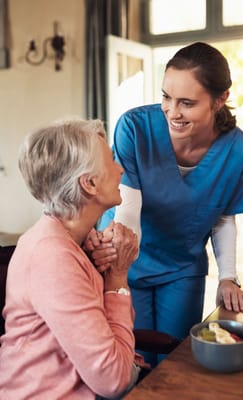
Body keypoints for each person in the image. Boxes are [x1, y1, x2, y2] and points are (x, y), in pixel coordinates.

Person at [86, 42, 243, 366]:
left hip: (182, 268)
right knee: (128, 361)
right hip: (124, 259)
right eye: (166, 97)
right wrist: (119, 266)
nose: (172, 111)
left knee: (177, 361)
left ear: (220, 99)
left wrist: (228, 276)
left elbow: (222, 217)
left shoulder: (239, 152)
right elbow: (128, 210)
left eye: (187, 103)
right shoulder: (135, 128)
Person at [0, 118, 145, 399]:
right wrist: (116, 278)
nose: (121, 170)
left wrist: (98, 267)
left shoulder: (69, 240)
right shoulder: (53, 258)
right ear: (89, 183)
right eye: (112, 161)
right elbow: (113, 380)